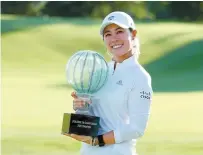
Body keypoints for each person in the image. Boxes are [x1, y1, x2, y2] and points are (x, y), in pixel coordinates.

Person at [65, 11, 153, 155]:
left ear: (133, 34)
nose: (114, 39)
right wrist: (81, 107)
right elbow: (93, 118)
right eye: (108, 34)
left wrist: (97, 140)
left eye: (119, 31)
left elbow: (137, 128)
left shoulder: (140, 77)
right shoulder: (100, 71)